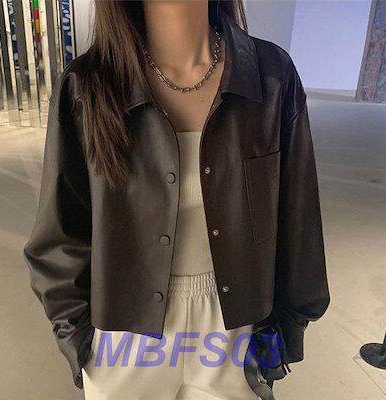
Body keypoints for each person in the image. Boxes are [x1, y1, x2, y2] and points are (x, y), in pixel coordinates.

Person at [23, 1, 331, 399]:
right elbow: (59, 235)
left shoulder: (270, 75)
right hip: (122, 338)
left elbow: (299, 224)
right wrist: (80, 343)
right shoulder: (89, 84)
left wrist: (281, 340)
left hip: (237, 331)